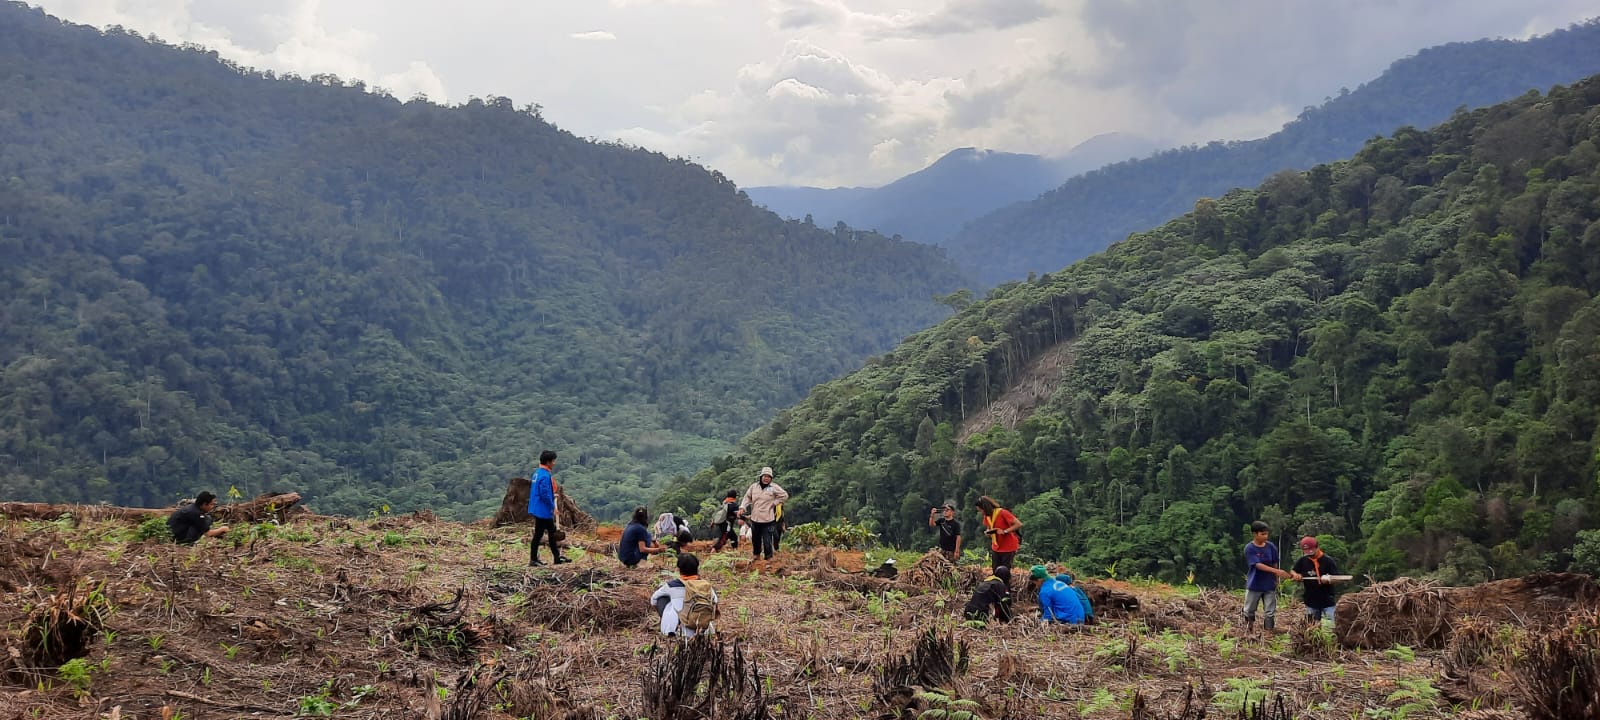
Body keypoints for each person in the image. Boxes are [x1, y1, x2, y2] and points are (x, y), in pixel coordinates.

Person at [650, 553, 719, 638]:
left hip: (679, 631)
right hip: (703, 628)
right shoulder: (705, 585)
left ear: (679, 569)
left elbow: (653, 600)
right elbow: (715, 600)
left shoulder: (671, 586)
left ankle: (669, 626)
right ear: (697, 568)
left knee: (661, 598)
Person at [1243, 520, 1293, 631]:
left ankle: (1269, 631)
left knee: (1270, 611)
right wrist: (1276, 572)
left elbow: (1274, 562)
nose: (1266, 536)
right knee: (1249, 610)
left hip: (1269, 584)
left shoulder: (1270, 546)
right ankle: (1248, 630)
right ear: (1255, 534)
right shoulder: (1249, 548)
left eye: (1267, 533)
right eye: (1263, 534)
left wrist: (1276, 578)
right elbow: (1257, 565)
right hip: (1255, 584)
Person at [740, 467, 789, 561]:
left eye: (768, 477)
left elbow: (784, 495)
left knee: (767, 540)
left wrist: (775, 503)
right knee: (756, 539)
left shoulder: (774, 487)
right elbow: (747, 498)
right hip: (755, 518)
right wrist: (742, 507)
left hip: (768, 519)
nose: (766, 478)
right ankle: (756, 555)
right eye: (764, 476)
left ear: (771, 478)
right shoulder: (754, 487)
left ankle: (768, 558)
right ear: (761, 477)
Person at [528, 451, 568, 565]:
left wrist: (552, 494)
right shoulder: (545, 476)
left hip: (537, 508)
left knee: (551, 533)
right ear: (548, 462)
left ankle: (556, 557)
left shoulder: (537, 473)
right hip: (543, 510)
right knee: (540, 535)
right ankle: (534, 559)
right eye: (553, 461)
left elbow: (543, 491)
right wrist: (552, 506)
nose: (554, 463)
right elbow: (544, 494)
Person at [1290, 536, 1340, 625]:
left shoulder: (1328, 561)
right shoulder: (1303, 560)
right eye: (1307, 552)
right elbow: (1293, 570)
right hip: (1311, 601)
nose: (1310, 554)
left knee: (1333, 625)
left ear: (1317, 547)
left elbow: (1337, 578)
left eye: (1311, 551)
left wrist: (1328, 579)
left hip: (1327, 600)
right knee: (1311, 627)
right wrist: (1296, 575)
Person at [975, 496, 1022, 570]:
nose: (981, 512)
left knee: (1005, 570)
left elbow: (1018, 524)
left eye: (981, 510)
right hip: (996, 547)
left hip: (1008, 547)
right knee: (995, 570)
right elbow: (989, 527)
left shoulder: (1002, 512)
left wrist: (1005, 531)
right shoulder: (987, 516)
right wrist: (988, 532)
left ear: (985, 508)